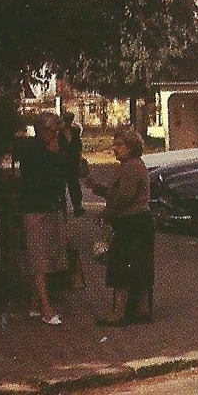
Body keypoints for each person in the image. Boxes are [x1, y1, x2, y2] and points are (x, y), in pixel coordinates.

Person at [82, 127, 154, 326]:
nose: (115, 148)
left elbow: (125, 197)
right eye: (115, 144)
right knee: (139, 266)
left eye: (120, 144)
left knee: (121, 267)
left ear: (131, 146)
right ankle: (142, 310)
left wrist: (105, 214)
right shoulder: (134, 165)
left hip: (132, 222)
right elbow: (120, 193)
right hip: (140, 221)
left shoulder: (130, 166)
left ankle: (119, 313)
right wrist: (97, 188)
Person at [14, 112, 69, 325]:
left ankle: (35, 304)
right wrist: (53, 156)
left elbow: (66, 172)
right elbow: (37, 178)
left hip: (52, 206)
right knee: (39, 258)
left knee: (51, 254)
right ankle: (47, 307)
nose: (55, 135)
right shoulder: (31, 150)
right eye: (52, 131)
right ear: (42, 131)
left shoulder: (57, 145)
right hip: (35, 208)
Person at [60, 111, 84, 217]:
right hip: (62, 161)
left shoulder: (75, 131)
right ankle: (62, 207)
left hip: (73, 161)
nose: (69, 122)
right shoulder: (59, 132)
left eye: (70, 120)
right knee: (61, 185)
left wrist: (79, 157)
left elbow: (78, 145)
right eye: (67, 120)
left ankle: (77, 207)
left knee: (74, 184)